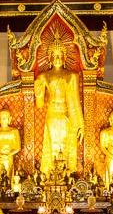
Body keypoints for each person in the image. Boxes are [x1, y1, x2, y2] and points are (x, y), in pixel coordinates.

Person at [35, 38, 84, 175]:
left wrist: (81, 123)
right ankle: (51, 174)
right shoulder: (44, 76)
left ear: (64, 57)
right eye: (54, 55)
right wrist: (38, 92)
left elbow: (75, 100)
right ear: (49, 58)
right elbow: (39, 105)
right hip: (52, 114)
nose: (57, 58)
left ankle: (67, 173)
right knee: (53, 143)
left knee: (67, 144)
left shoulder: (72, 76)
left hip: (67, 114)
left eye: (60, 55)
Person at [0, 109, 21, 186]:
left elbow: (18, 148)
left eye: (6, 117)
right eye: (2, 117)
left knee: (8, 177)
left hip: (9, 157)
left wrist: (8, 154)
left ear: (9, 119)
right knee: (0, 177)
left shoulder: (14, 131)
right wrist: (0, 155)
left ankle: (9, 191)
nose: (4, 119)